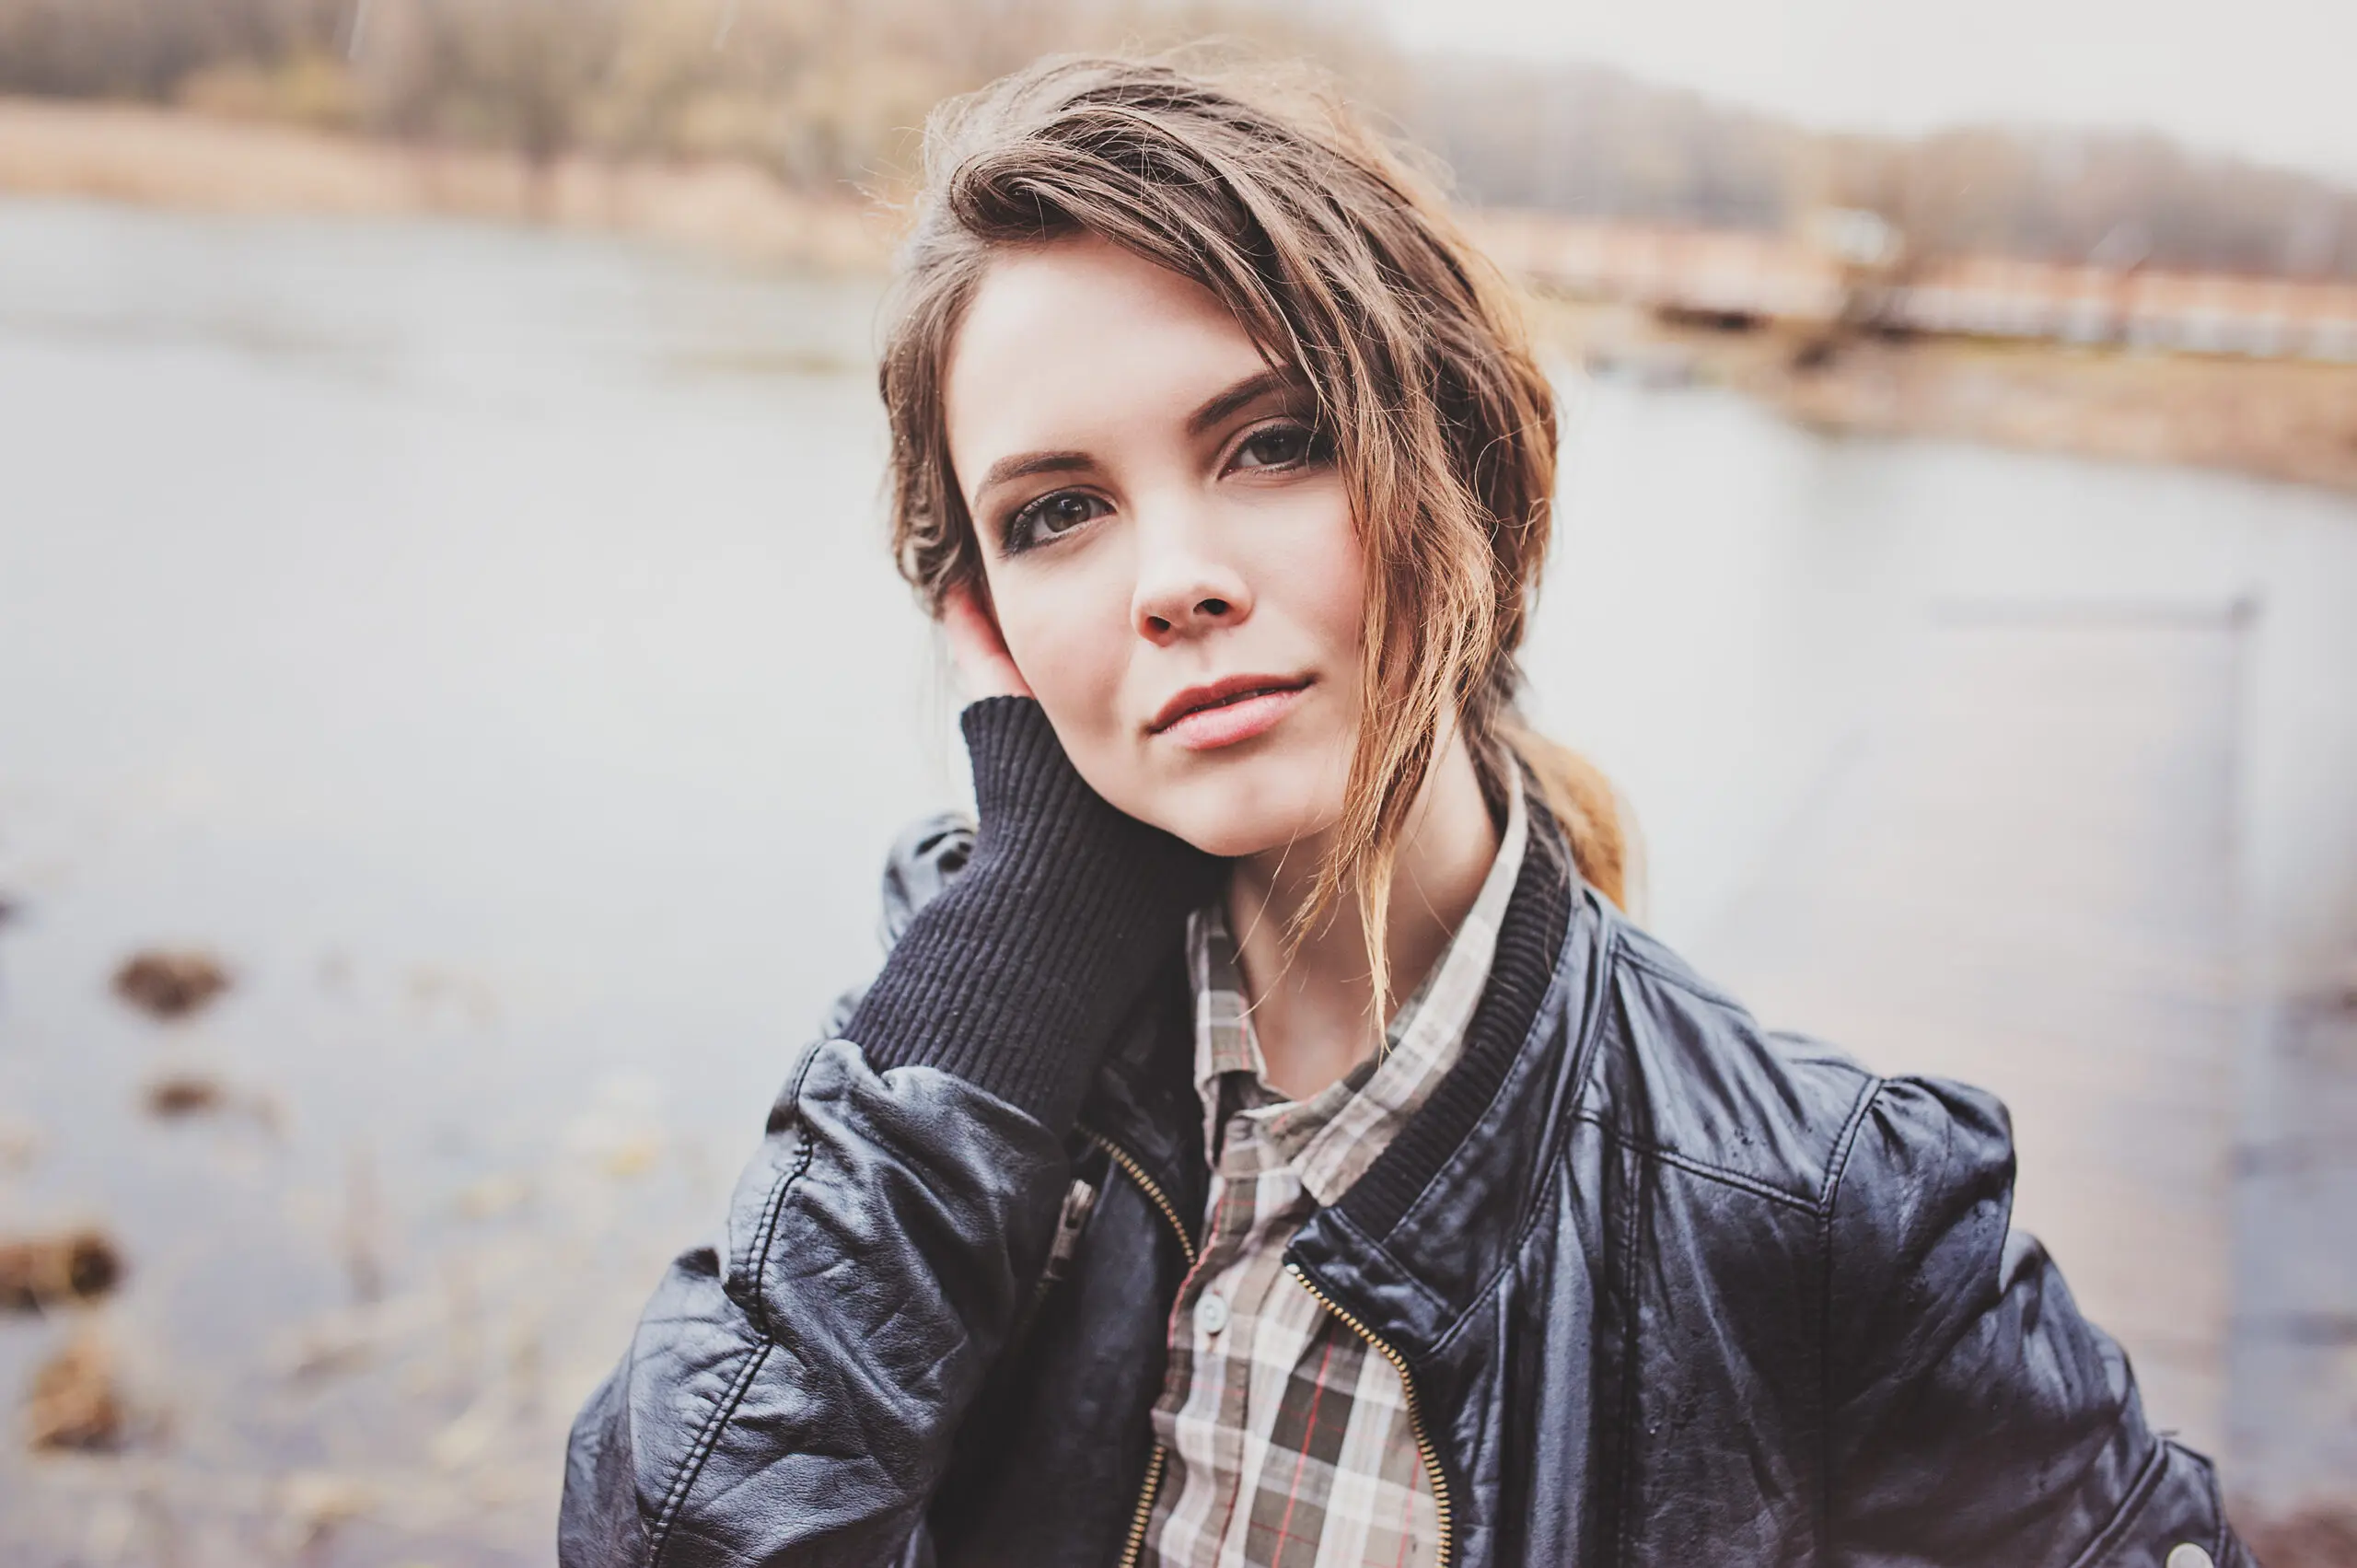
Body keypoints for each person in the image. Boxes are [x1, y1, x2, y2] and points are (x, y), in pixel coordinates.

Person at [558, 54, 2251, 1568]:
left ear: (1454, 454)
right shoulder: (969, 1070)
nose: (1176, 582)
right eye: (1059, 510)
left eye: (1272, 442)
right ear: (985, 621)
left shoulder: (1819, 1216)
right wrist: (1008, 945)